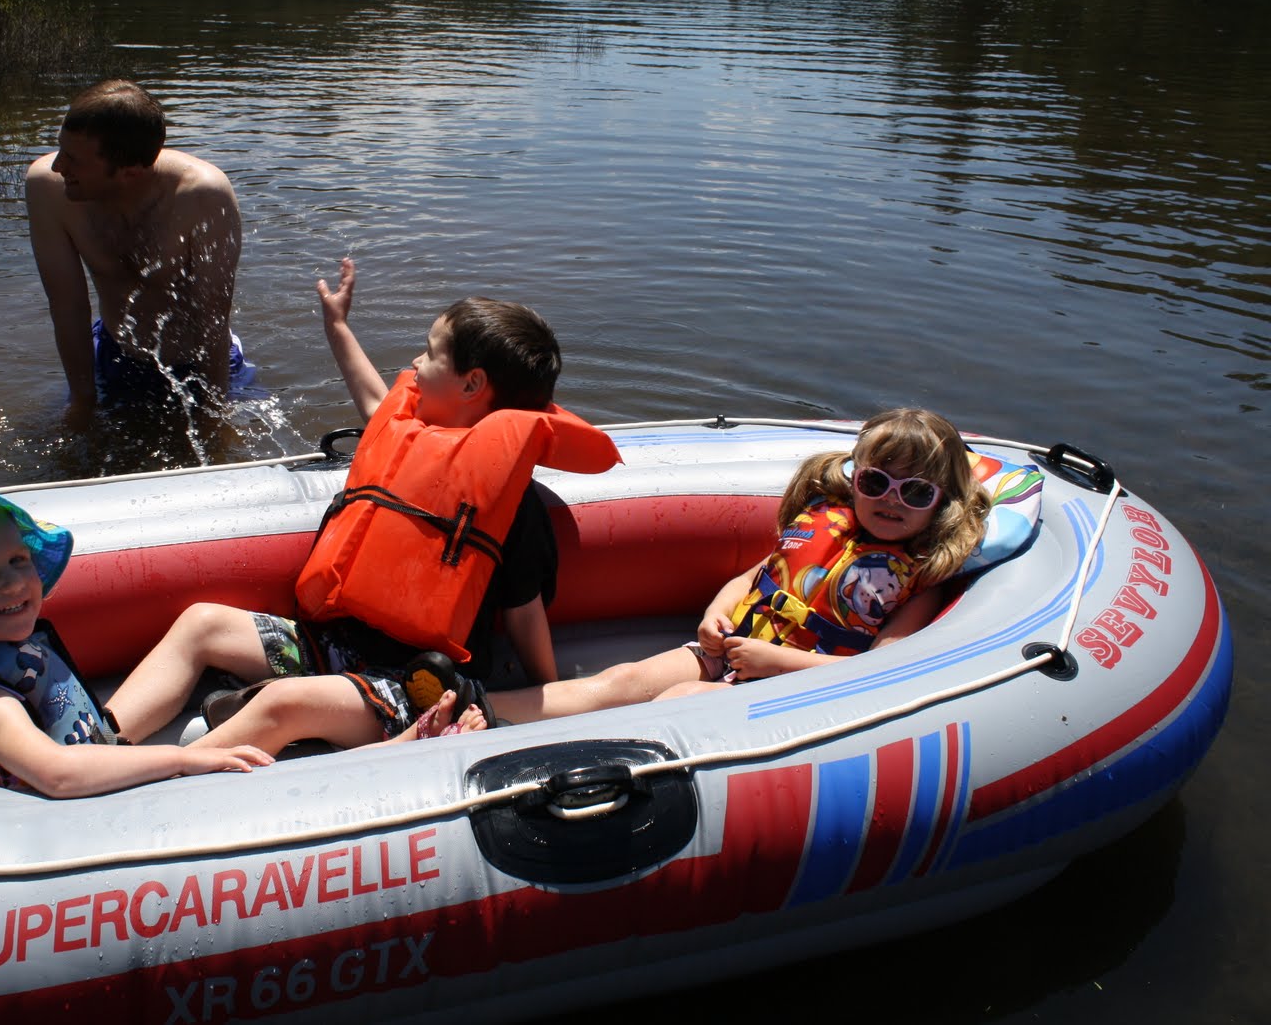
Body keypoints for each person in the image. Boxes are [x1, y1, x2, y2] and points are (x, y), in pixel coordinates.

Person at [140, 257, 620, 757]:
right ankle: (104, 739)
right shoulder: (411, 435)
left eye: (429, 353)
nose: (414, 362)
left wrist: (545, 696)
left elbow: (524, 615)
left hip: (413, 689)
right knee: (202, 623)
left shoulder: (511, 505)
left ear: (471, 385)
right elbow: (377, 405)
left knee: (285, 702)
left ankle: (169, 771)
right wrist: (338, 326)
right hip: (336, 646)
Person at [489, 408, 993, 723]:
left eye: (916, 492)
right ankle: (483, 712)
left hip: (795, 685)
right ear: (854, 478)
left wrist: (777, 662)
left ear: (942, 502)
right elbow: (750, 579)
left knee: (682, 697)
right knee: (622, 680)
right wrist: (715, 614)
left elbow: (881, 668)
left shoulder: (919, 580)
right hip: (736, 649)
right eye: (876, 483)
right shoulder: (824, 521)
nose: (892, 500)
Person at [0, 476, 274, 798]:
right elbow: (58, 774)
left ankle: (306, 650)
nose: (15, 583)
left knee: (201, 625)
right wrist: (181, 760)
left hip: (95, 745)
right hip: (98, 792)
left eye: (18, 559)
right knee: (283, 706)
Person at [25, 79, 252, 429]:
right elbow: (67, 305)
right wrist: (82, 401)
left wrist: (214, 413)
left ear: (129, 172)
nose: (58, 166)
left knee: (233, 438)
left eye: (73, 160)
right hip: (113, 352)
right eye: (60, 149)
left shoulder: (202, 196)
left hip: (198, 362)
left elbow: (213, 319)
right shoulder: (48, 189)